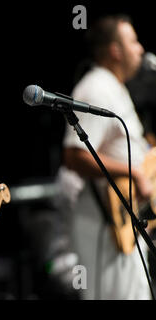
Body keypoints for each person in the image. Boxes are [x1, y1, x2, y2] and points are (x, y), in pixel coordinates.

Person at [59, 14, 152, 299]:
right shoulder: (96, 87)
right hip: (104, 224)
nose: (140, 49)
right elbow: (74, 155)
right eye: (133, 41)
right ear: (115, 51)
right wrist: (134, 173)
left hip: (124, 220)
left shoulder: (113, 86)